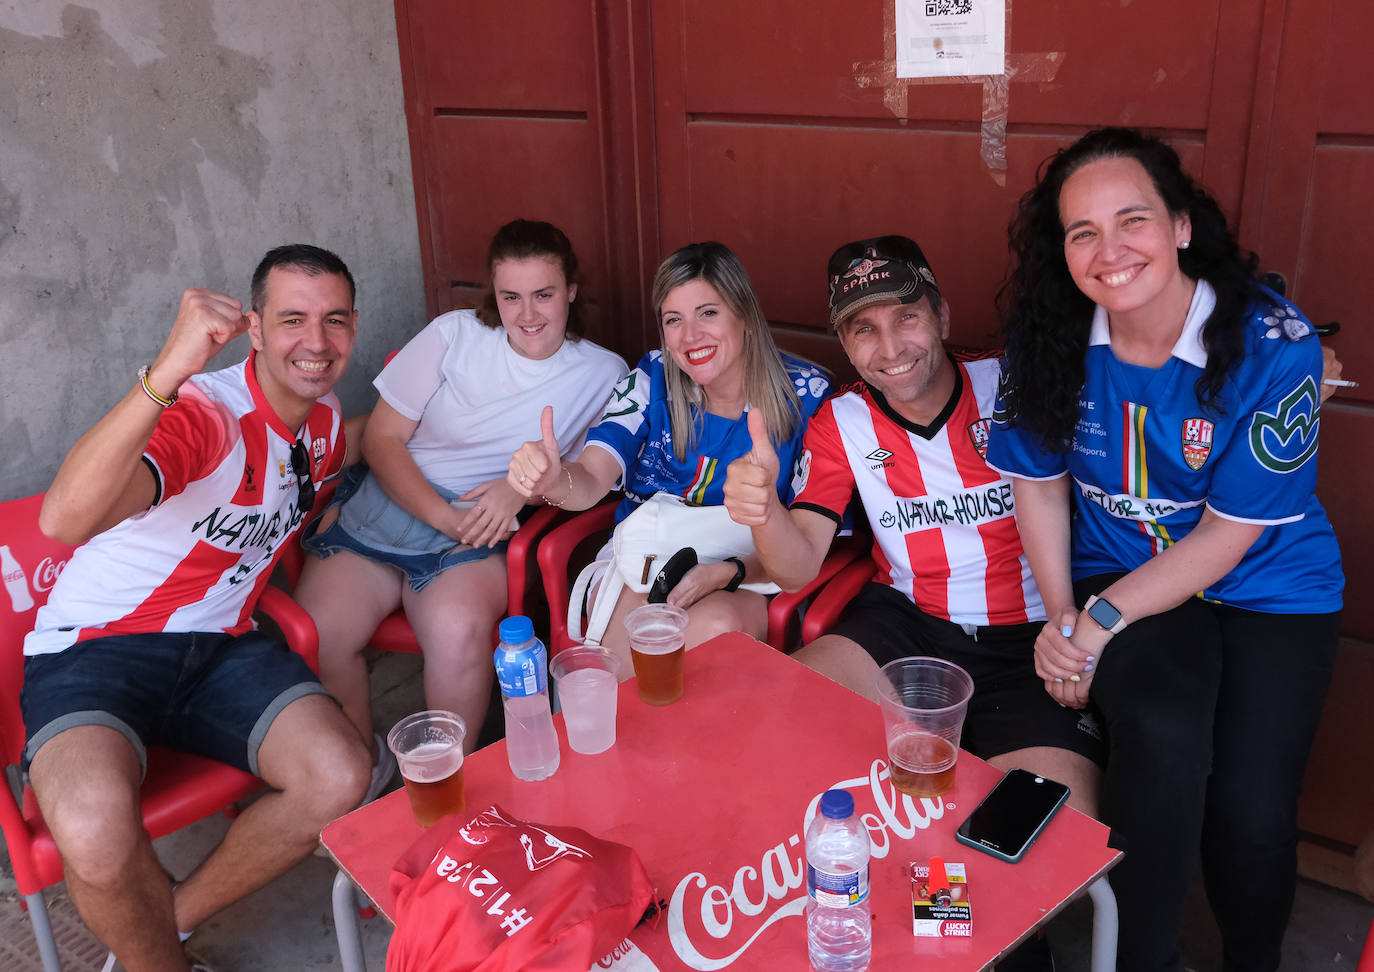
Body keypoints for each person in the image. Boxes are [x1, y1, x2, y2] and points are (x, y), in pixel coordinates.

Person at [986, 127, 1344, 972]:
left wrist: (1095, 624)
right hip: (1124, 572)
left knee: (1251, 811)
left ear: (1182, 225)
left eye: (1133, 220)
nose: (1110, 251)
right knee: (1164, 740)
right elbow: (1035, 483)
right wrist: (1064, 612)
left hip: (1269, 586)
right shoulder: (1048, 337)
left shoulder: (1273, 341)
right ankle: (1139, 960)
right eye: (1083, 232)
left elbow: (1230, 532)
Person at [23, 244, 372, 971]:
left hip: (221, 646)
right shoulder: (206, 413)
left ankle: (165, 919)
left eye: (334, 321)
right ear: (253, 328)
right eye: (292, 320)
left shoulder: (327, 421)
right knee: (91, 830)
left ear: (354, 329)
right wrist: (167, 372)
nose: (316, 342)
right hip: (99, 646)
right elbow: (61, 520)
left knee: (340, 777)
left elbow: (302, 491)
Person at [721, 234, 1105, 811]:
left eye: (907, 316)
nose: (891, 347)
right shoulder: (840, 422)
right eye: (863, 330)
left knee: (1044, 829)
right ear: (847, 347)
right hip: (907, 626)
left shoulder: (1012, 383)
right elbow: (797, 568)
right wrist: (765, 513)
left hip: (1031, 640)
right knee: (774, 730)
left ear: (942, 315)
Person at [293, 220, 626, 783]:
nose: (527, 315)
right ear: (493, 296)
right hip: (397, 500)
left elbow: (591, 476)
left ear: (571, 289)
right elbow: (381, 438)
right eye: (510, 297)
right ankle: (363, 767)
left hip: (480, 531)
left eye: (544, 294)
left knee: (457, 631)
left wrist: (523, 485)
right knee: (320, 628)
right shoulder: (455, 334)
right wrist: (441, 515)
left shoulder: (603, 373)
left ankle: (445, 782)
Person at [508, 241, 831, 667]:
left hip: (753, 568)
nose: (690, 337)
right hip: (646, 559)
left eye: (708, 313)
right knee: (646, 635)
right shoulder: (652, 377)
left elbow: (809, 542)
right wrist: (554, 480)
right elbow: (590, 477)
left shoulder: (810, 396)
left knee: (715, 629)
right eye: (673, 320)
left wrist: (728, 570)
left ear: (746, 315)